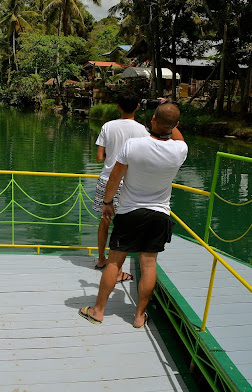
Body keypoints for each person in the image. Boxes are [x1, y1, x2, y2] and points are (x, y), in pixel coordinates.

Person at [79, 102, 188, 328]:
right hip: (159, 214)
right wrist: (170, 121)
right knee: (149, 265)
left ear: (153, 119)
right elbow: (177, 135)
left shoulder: (133, 146)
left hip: (130, 212)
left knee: (114, 263)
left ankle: (98, 311)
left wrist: (108, 203)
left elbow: (115, 178)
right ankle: (139, 316)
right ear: (176, 125)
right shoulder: (180, 150)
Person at [93, 89, 148, 281]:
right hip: (129, 184)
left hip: (107, 180)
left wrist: (112, 156)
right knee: (123, 227)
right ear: (138, 107)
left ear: (118, 106)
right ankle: (117, 270)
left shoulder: (108, 126)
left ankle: (101, 259)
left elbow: (100, 157)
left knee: (104, 222)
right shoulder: (142, 130)